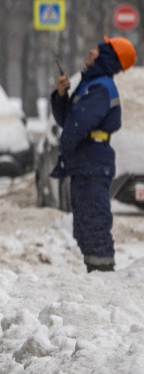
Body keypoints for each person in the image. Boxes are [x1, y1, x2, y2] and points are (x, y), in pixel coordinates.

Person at [51, 36, 137, 272]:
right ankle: (96, 273)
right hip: (87, 161)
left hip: (93, 162)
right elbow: (69, 120)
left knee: (94, 223)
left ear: (108, 57)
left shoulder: (100, 87)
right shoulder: (91, 83)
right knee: (84, 224)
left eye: (98, 50)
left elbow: (77, 125)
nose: (91, 51)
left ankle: (103, 277)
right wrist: (61, 96)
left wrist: (63, 153)